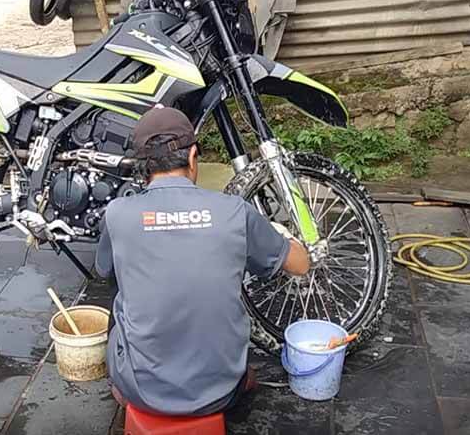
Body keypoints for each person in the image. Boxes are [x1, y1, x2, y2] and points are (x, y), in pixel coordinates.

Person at [96, 106, 312, 416]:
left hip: (141, 392)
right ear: (194, 155)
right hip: (223, 391)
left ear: (142, 166)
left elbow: (104, 269)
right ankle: (234, 380)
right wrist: (279, 234)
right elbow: (301, 265)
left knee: (120, 301)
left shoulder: (118, 213)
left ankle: (121, 384)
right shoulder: (235, 211)